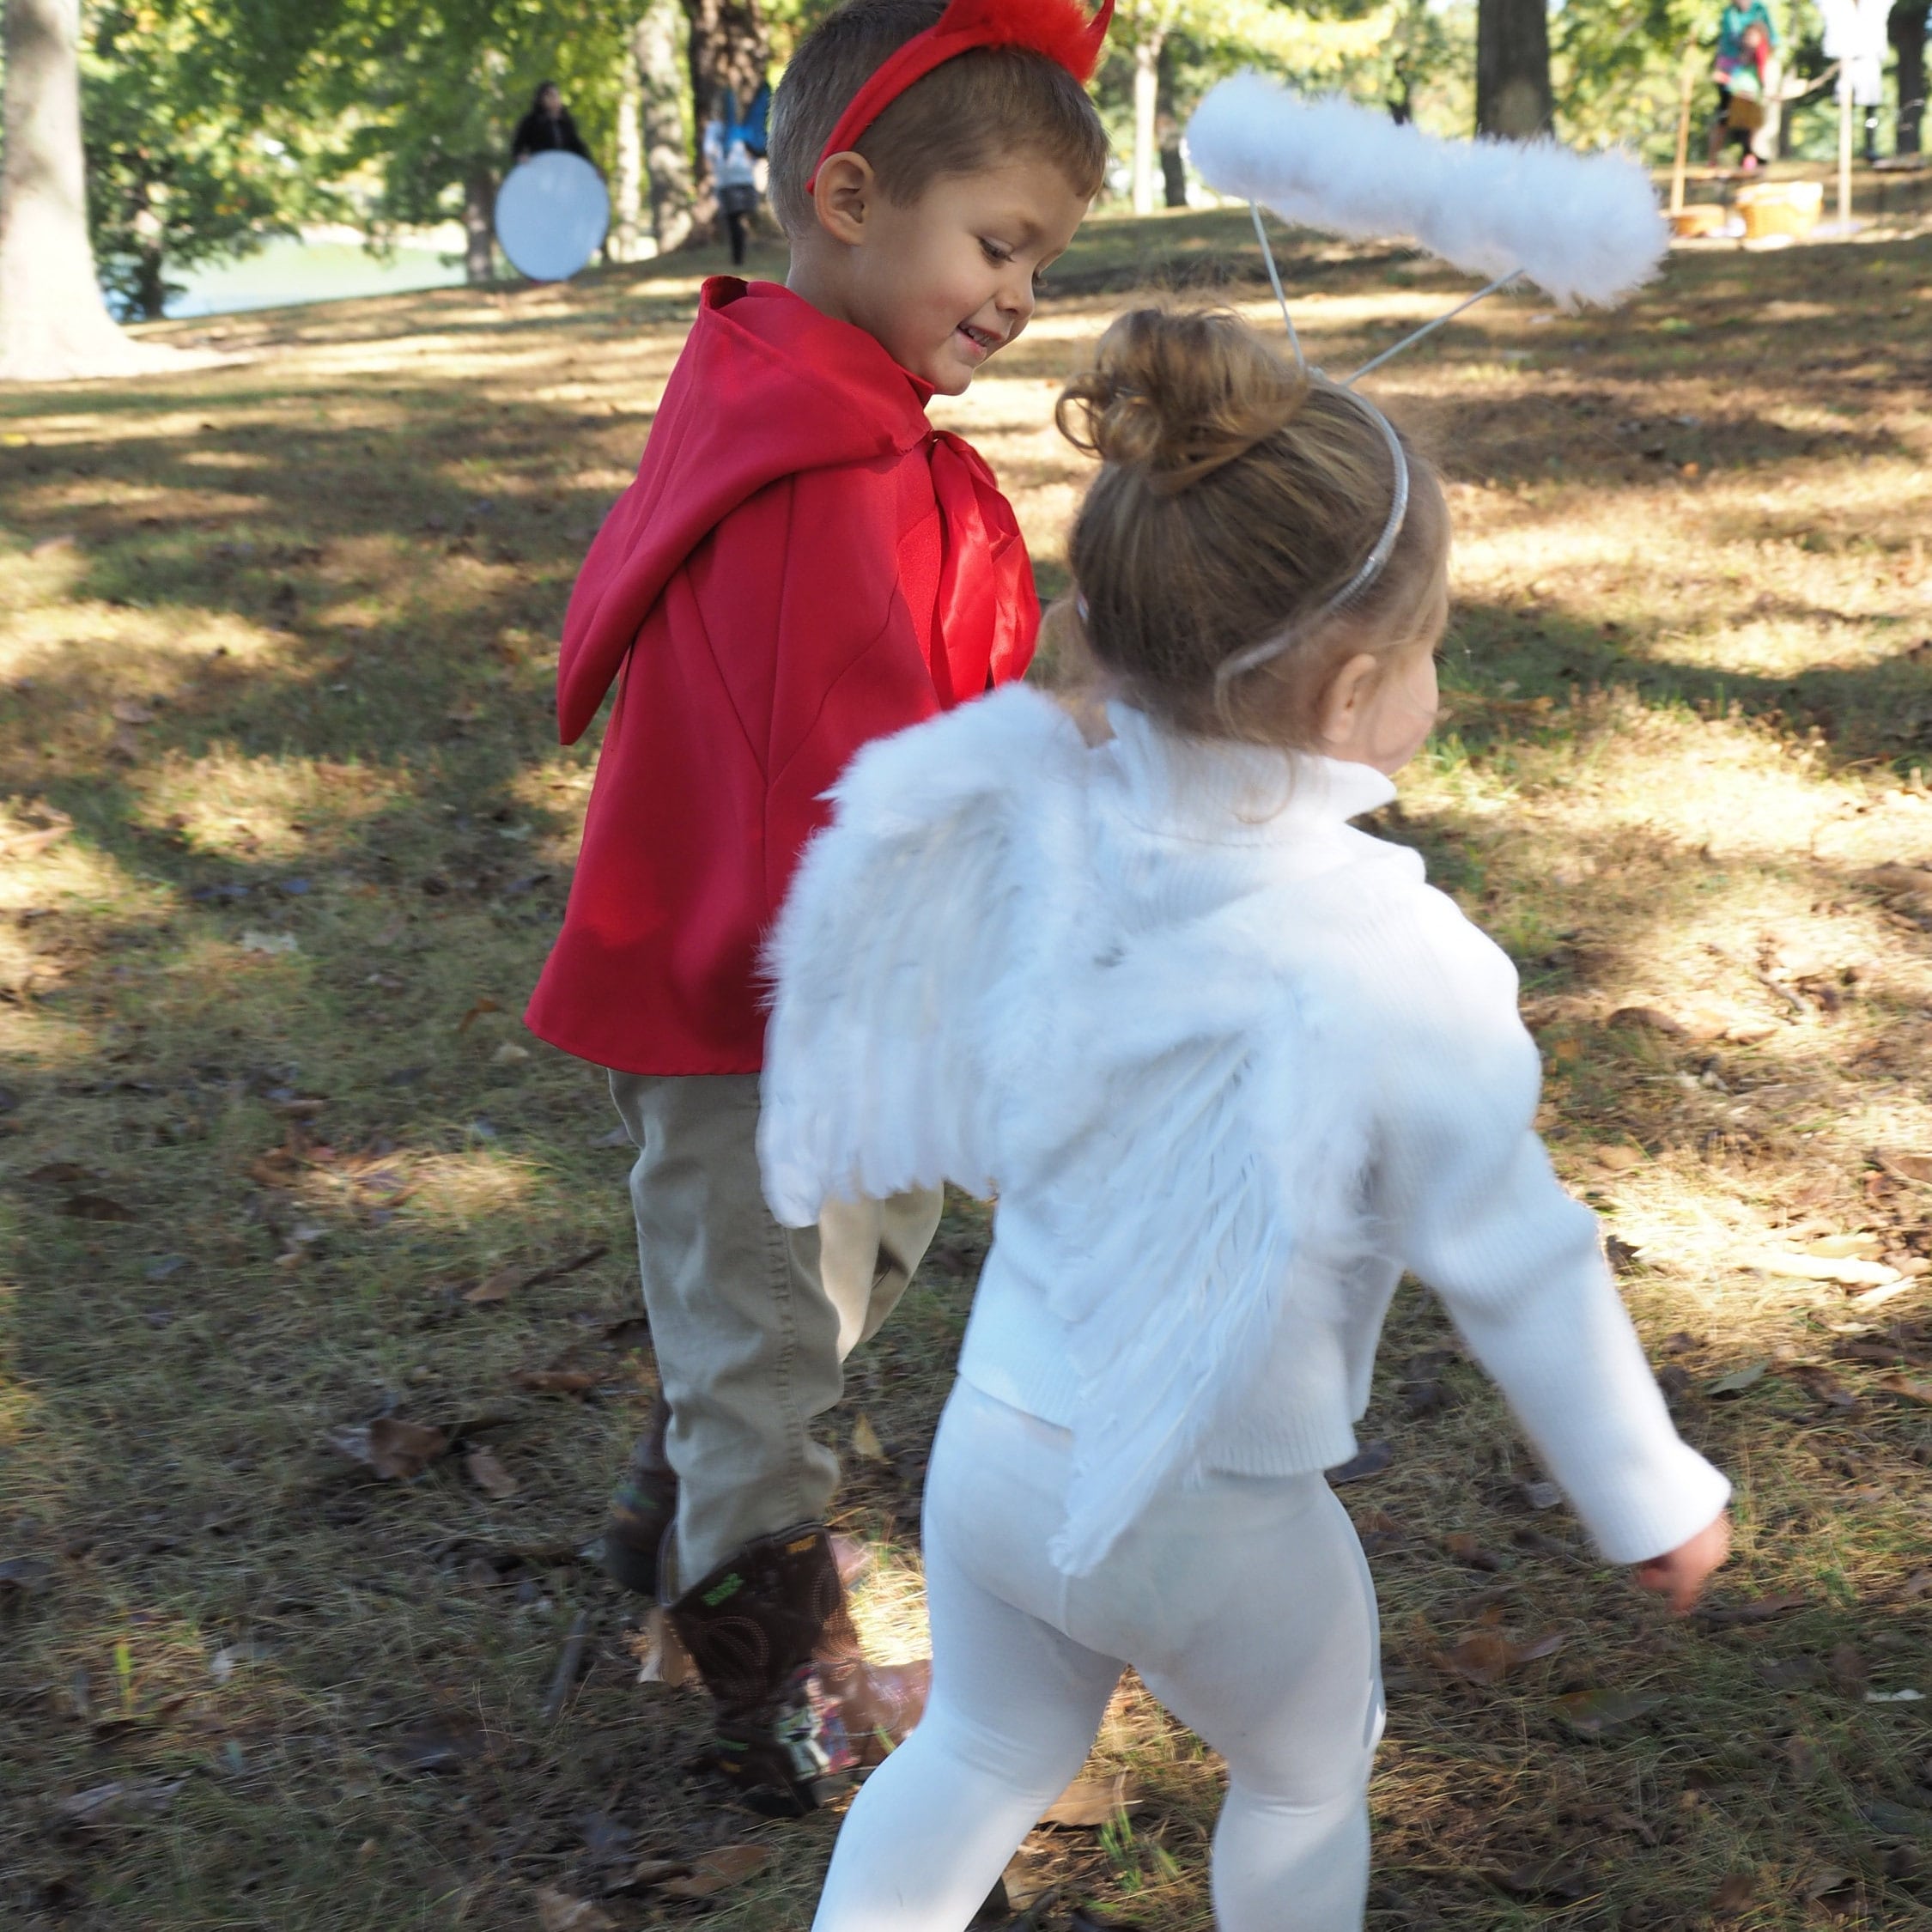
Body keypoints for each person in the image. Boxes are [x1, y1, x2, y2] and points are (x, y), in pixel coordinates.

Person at [758, 307, 1735, 1929]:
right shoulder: (1394, 959)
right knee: (1302, 1768)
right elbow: (1521, 1261)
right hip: (1208, 1503)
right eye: (1429, 647)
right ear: (1360, 688)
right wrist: (1650, 1494)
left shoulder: (1036, 834)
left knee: (987, 1746)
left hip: (996, 1451)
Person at [521, 0, 1112, 1820]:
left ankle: (668, 1518)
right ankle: (788, 1699)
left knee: (822, 1289)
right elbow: (846, 798)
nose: (1018, 297)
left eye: (1042, 259)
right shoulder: (819, 481)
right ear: (849, 196)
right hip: (762, 1016)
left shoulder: (842, 424)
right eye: (997, 244)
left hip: (845, 1016)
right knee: (777, 1329)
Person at [1709, 0, 1780, 167]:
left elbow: (1771, 41)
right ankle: (1713, 159)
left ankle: (1749, 155)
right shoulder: (1729, 13)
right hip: (1732, 74)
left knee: (1751, 123)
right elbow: (1726, 43)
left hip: (1750, 87)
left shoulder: (1760, 9)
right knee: (1724, 119)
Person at [703, 100, 762, 266]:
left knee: (736, 219)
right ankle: (740, 256)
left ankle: (740, 256)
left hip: (734, 179)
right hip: (737, 178)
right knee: (736, 219)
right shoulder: (726, 128)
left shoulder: (723, 128)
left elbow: (710, 150)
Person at [512, 82, 592, 166]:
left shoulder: (566, 122)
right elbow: (518, 147)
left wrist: (590, 165)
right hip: (541, 168)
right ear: (541, 99)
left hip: (564, 167)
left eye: (556, 96)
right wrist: (521, 156)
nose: (554, 99)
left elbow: (577, 146)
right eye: (550, 96)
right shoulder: (531, 121)